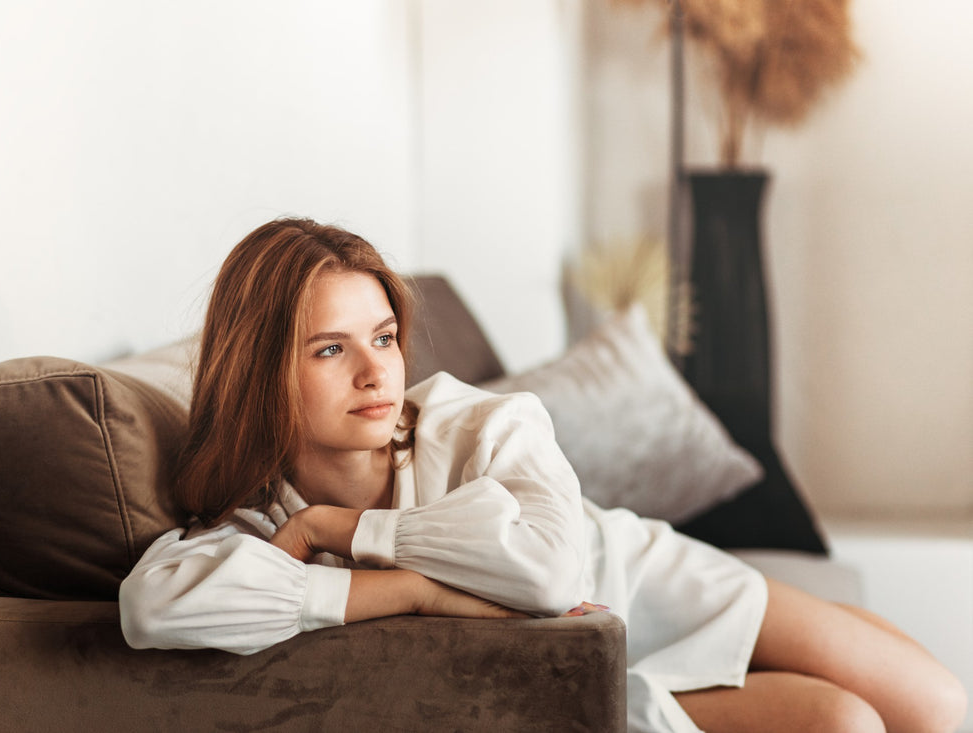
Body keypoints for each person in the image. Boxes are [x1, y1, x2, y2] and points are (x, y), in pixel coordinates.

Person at [120, 217, 966, 733]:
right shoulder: (258, 513)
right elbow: (151, 604)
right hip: (584, 663)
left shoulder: (477, 418)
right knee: (848, 720)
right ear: (263, 369)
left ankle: (825, 626)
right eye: (331, 350)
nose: (376, 373)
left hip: (636, 571)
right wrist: (412, 592)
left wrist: (352, 534)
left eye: (383, 337)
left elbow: (557, 570)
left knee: (935, 708)